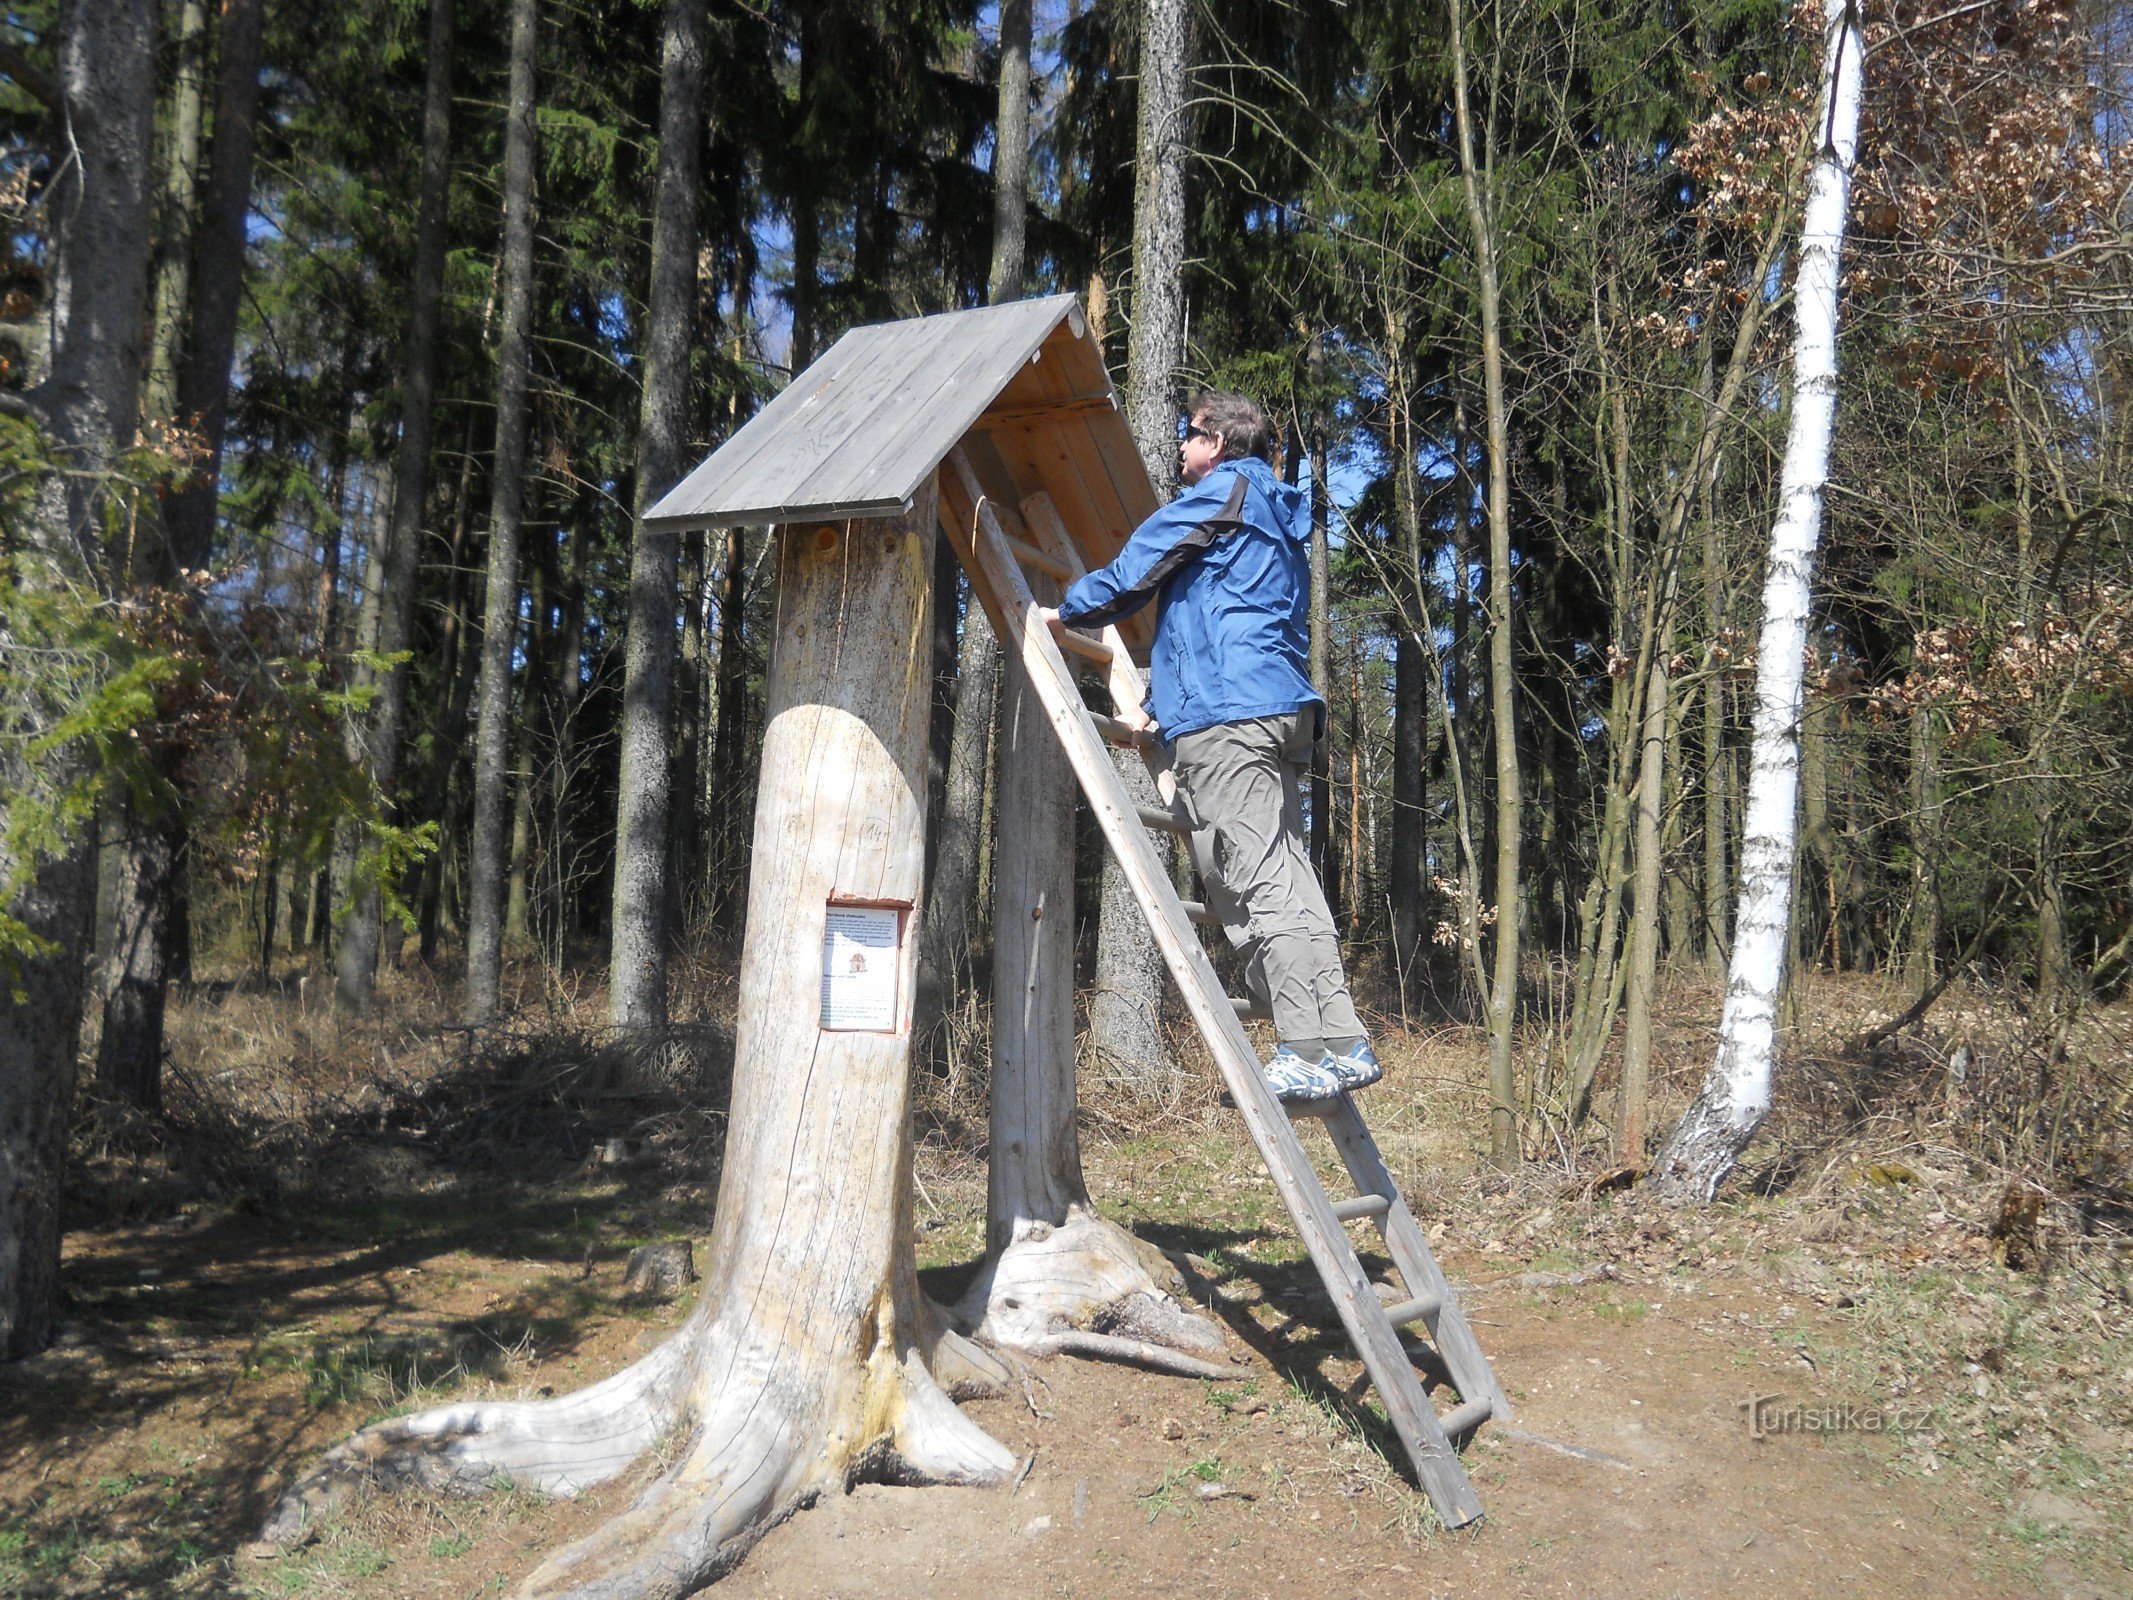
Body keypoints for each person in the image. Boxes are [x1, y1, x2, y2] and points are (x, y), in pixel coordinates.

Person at [1037, 393, 1379, 1104]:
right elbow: (1214, 623)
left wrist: (1066, 609)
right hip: (1268, 708)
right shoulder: (1271, 517)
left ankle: (1305, 1048)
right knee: (1288, 875)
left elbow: (1138, 569)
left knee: (1258, 879)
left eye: (1187, 437)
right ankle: (1340, 1039)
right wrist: (1162, 711)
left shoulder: (1222, 493)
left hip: (1231, 717)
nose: (1178, 449)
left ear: (1218, 442)